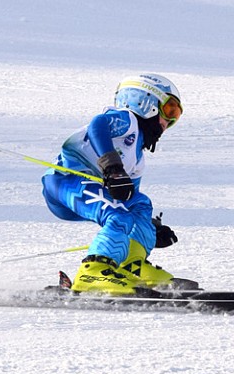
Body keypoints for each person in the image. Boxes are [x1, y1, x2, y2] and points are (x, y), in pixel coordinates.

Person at [41, 73, 184, 294]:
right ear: (144, 101)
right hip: (64, 183)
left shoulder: (137, 158)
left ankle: (132, 266)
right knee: (118, 214)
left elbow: (126, 197)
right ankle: (93, 272)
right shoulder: (127, 120)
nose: (170, 122)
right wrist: (112, 167)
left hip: (88, 190)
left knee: (141, 205)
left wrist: (149, 230)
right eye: (170, 110)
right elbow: (98, 125)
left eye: (176, 116)